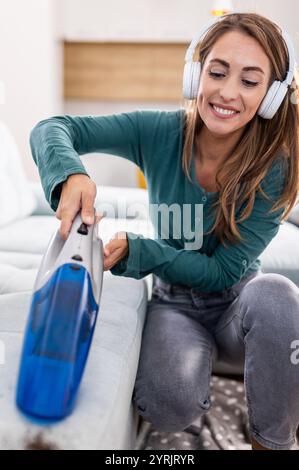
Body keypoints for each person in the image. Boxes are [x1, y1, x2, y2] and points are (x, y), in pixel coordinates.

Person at [30, 12, 299, 450]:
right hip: (176, 305)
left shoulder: (276, 167)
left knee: (278, 294)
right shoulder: (158, 131)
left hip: (237, 306)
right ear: (196, 73)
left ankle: (273, 441)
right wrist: (70, 176)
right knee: (168, 406)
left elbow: (221, 273)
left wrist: (144, 252)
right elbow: (52, 128)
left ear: (270, 97)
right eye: (217, 72)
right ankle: (205, 376)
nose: (228, 92)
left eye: (250, 82)